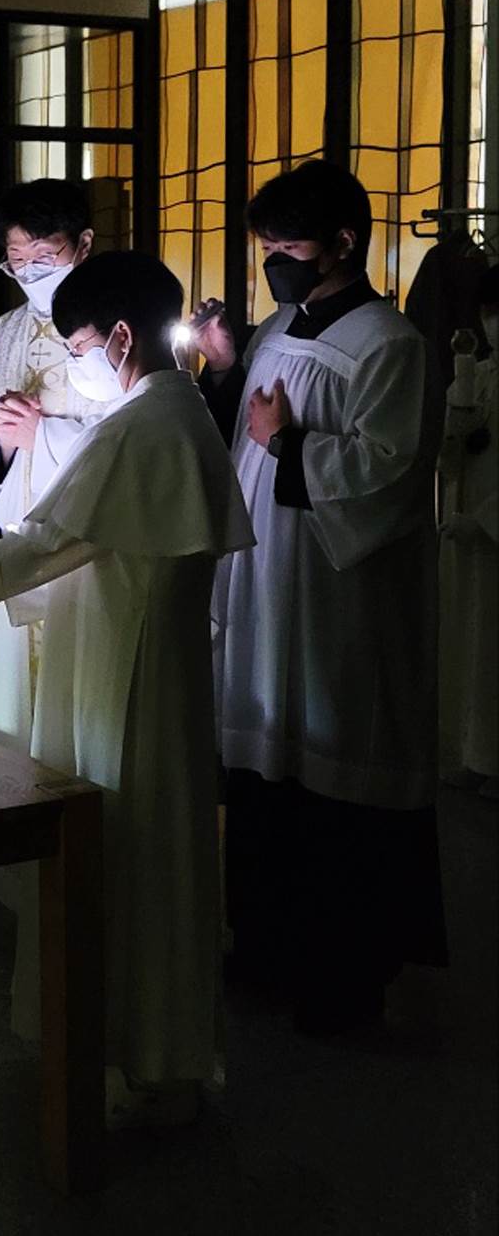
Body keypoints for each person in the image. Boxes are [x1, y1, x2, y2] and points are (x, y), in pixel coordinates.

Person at [0, 252, 253, 1123]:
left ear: (122, 337)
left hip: (124, 669)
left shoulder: (145, 427)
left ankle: (131, 1053)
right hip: (135, 654)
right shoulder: (167, 413)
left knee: (126, 855)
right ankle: (151, 1053)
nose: (73, 363)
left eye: (76, 346)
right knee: (148, 856)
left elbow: (44, 547)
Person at [192, 159, 447, 1035]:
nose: (274, 263)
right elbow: (242, 430)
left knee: (335, 775)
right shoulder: (278, 326)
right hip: (265, 579)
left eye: (288, 247)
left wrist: (290, 446)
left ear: (343, 242)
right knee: (265, 777)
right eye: (265, 247)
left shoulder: (389, 343)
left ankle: (343, 981)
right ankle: (266, 947)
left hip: (338, 595)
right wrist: (228, 369)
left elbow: (393, 472)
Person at [0, 180, 112, 1030]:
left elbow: (128, 438)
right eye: (15, 260)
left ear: (83, 246)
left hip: (82, 548)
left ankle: (78, 878)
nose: (27, 273)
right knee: (17, 725)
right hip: (17, 531)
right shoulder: (8, 329)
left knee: (72, 717)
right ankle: (24, 891)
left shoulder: (112, 321)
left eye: (43, 257)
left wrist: (42, 433)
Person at [437, 265, 498, 794]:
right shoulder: (479, 373)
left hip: (488, 529)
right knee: (471, 645)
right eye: (488, 312)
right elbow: (451, 451)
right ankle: (474, 754)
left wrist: (484, 521)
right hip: (470, 530)